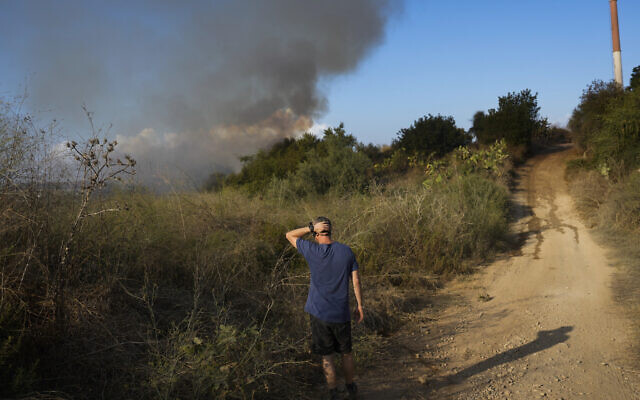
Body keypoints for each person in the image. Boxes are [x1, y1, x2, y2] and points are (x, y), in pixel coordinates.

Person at [286, 217, 364, 400]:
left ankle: (333, 393)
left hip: (319, 313)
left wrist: (309, 227)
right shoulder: (346, 251)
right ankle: (351, 387)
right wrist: (360, 306)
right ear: (331, 231)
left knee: (327, 356)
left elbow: (289, 235)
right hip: (341, 313)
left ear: (316, 233)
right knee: (346, 353)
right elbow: (356, 281)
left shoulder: (311, 250)